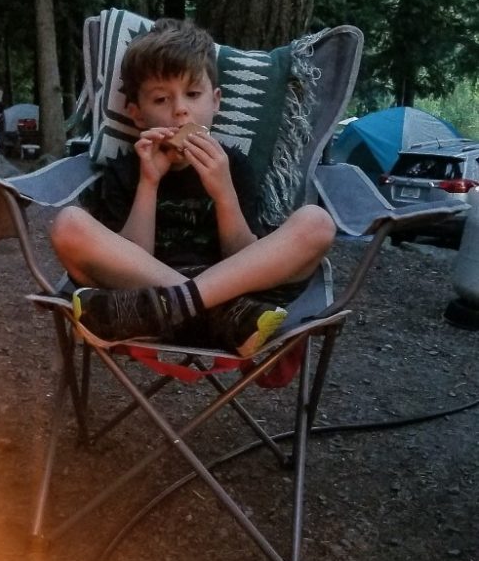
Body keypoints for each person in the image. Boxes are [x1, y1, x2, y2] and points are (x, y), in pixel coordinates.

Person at [50, 18, 336, 356]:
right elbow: (127, 259)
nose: (181, 110)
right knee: (68, 224)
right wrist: (148, 183)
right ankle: (214, 313)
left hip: (227, 282)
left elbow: (243, 258)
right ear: (137, 114)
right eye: (161, 99)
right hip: (179, 290)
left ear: (215, 102)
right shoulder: (128, 169)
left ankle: (174, 306)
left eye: (193, 94)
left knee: (317, 223)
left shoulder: (234, 166)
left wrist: (223, 192)